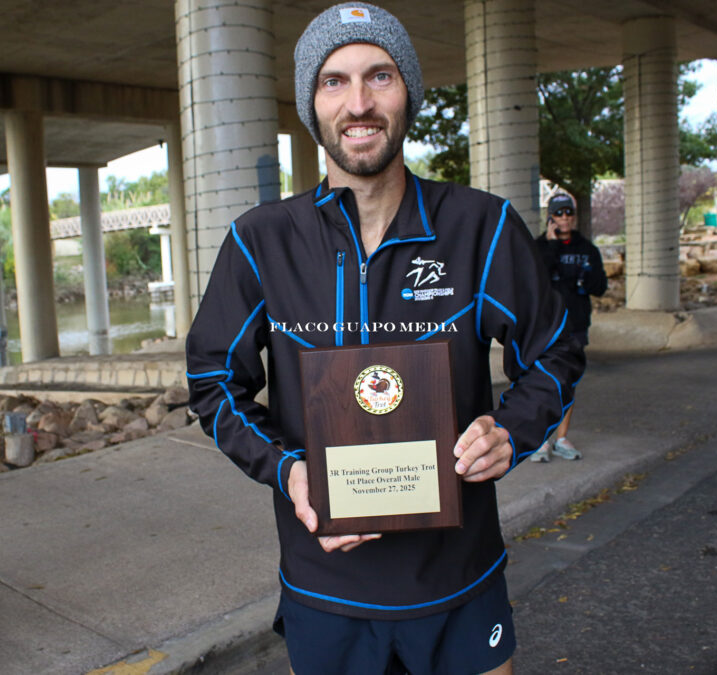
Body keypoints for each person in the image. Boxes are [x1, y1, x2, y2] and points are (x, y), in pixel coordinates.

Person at [185, 4, 585, 673]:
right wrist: (289, 470)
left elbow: (554, 353)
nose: (359, 103)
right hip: (325, 586)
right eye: (334, 81)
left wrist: (511, 431)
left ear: (409, 94)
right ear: (312, 105)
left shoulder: (481, 227)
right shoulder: (260, 242)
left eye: (380, 75)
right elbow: (213, 382)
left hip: (459, 578)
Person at [530, 193, 607, 462]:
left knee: (568, 381)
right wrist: (552, 246)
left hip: (575, 325)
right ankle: (542, 440)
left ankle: (562, 437)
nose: (565, 218)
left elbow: (600, 287)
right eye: (559, 213)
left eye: (569, 213)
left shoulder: (587, 248)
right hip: (545, 326)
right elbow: (535, 281)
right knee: (543, 381)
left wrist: (586, 276)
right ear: (550, 217)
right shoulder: (538, 246)